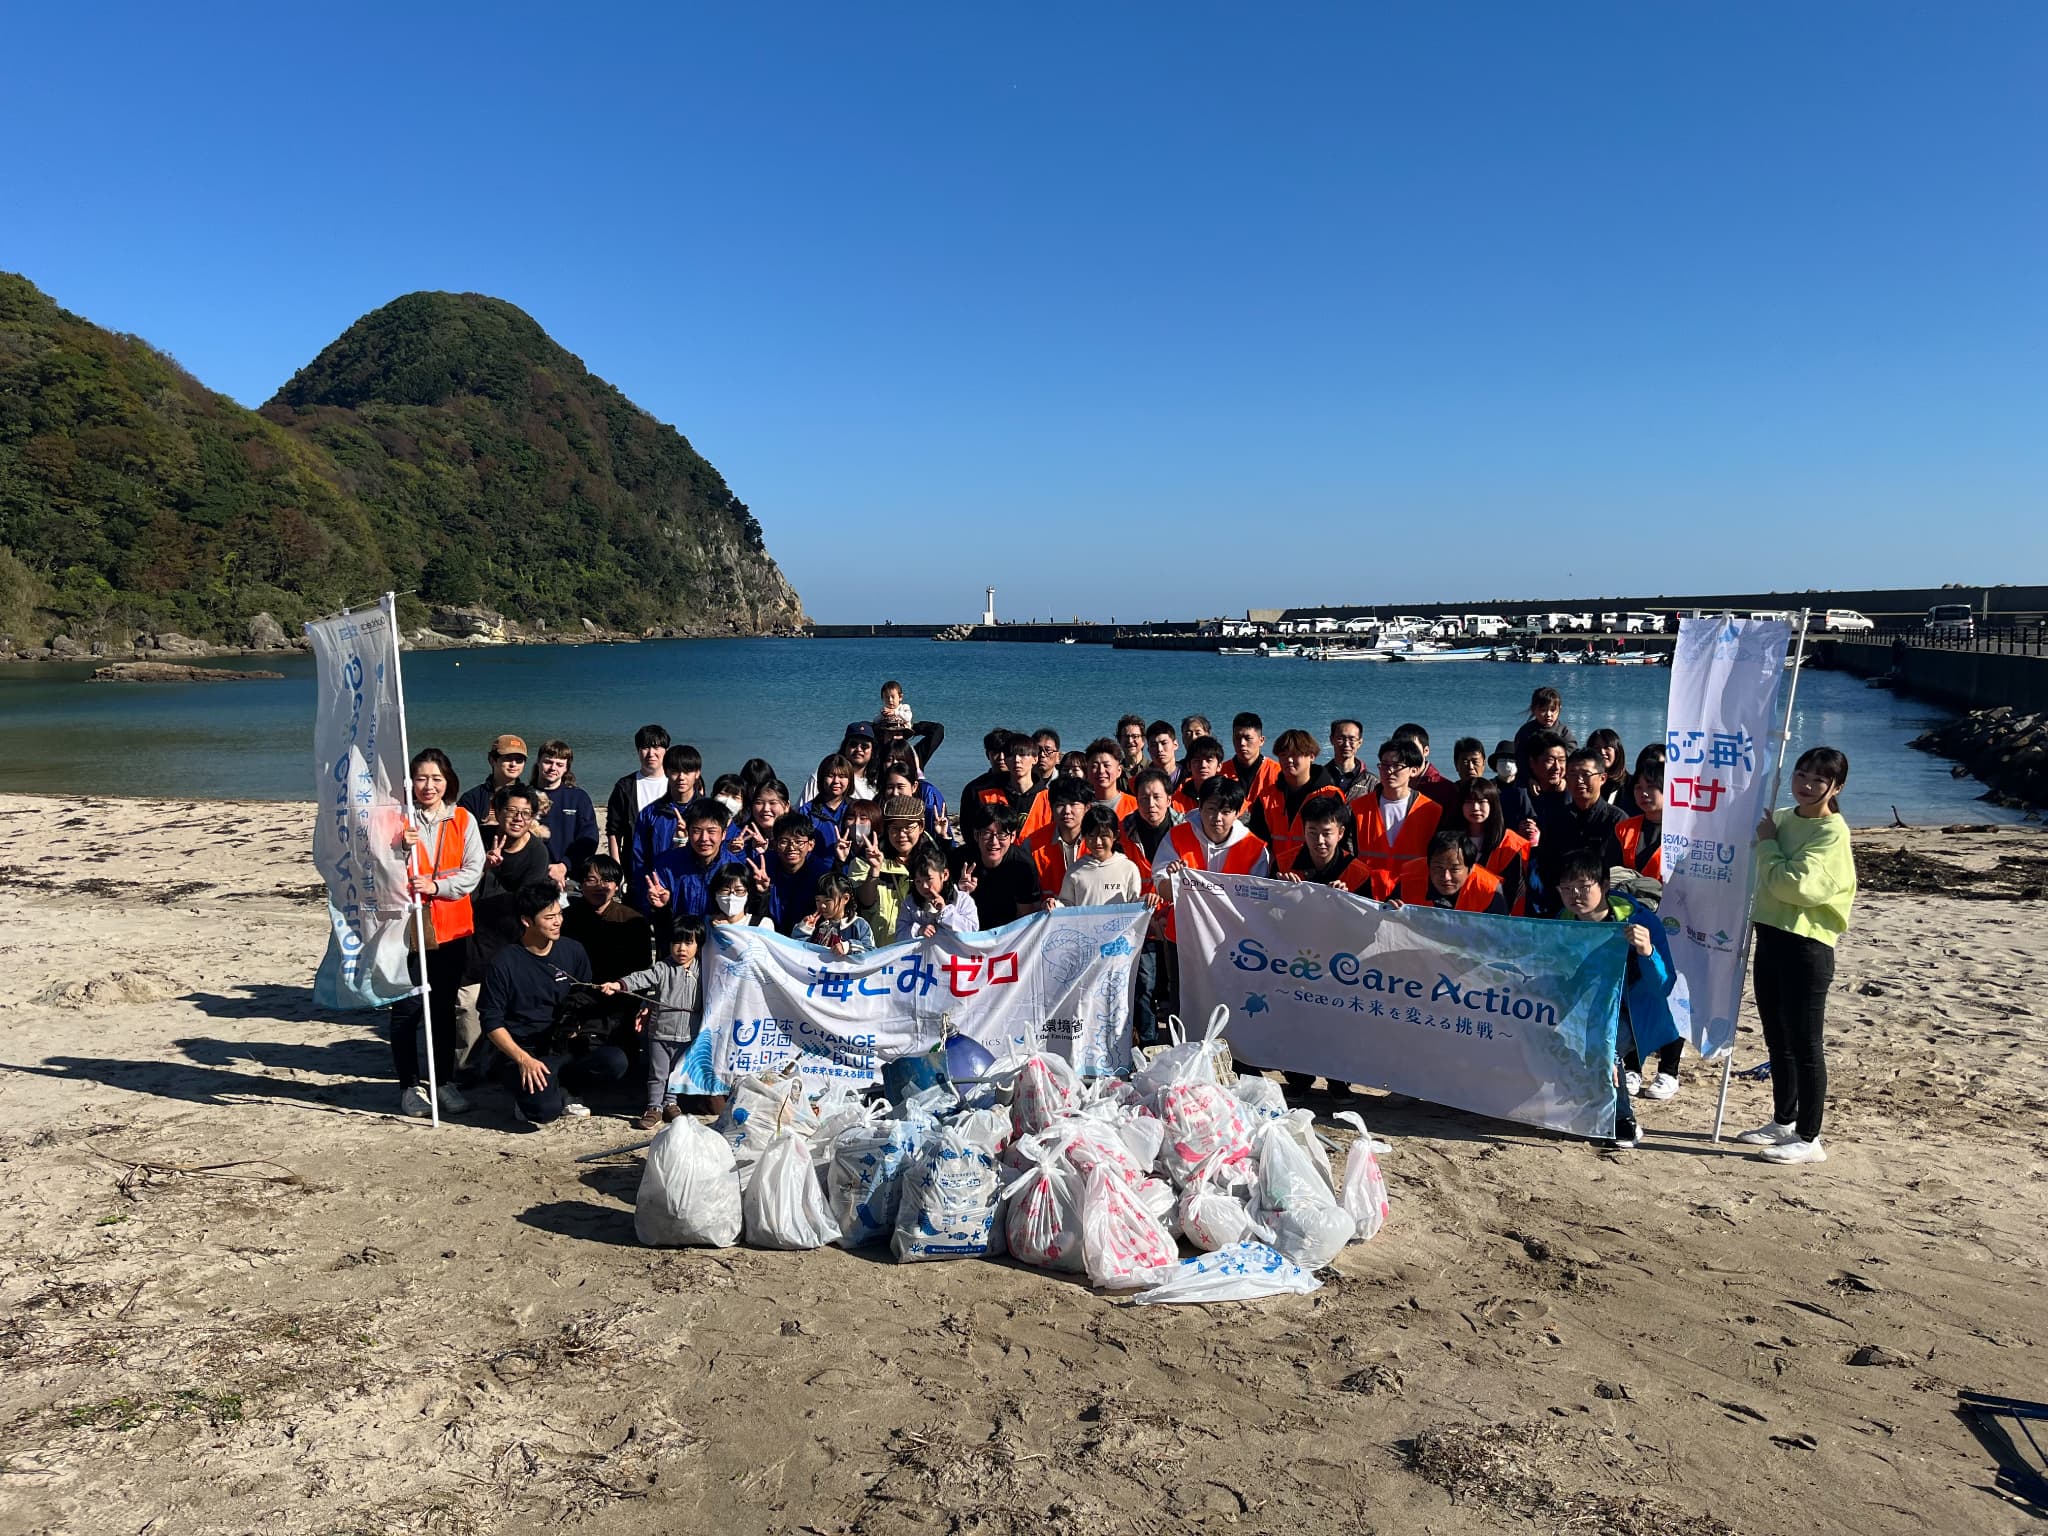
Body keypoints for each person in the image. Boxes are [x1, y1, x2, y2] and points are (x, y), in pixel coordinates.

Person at [1738, 747, 1857, 1166]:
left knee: (1806, 1043)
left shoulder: (1832, 832)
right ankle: (1783, 1120)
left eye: (1818, 780)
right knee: (1777, 1037)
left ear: (1836, 788)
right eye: (1801, 775)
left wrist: (1768, 848)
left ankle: (1810, 1136)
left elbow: (1798, 887)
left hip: (1808, 945)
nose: (1806, 785)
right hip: (1770, 935)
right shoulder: (1783, 818)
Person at [1552, 848, 1679, 1151]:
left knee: (1604, 1051)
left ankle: (1623, 1120)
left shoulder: (1640, 921)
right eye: (1566, 889)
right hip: (1588, 1008)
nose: (1574, 895)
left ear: (1604, 886)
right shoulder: (1563, 921)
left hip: (1635, 1011)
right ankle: (1588, 1104)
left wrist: (1647, 952)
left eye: (1583, 887)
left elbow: (1664, 986)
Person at [479, 882, 629, 1126]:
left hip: (563, 1046)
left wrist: (579, 1022)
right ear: (527, 921)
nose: (557, 921)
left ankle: (565, 1087)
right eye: (549, 917)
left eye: (559, 914)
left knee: (615, 1061)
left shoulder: (573, 950)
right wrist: (523, 1059)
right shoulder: (504, 963)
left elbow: (583, 995)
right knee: (543, 1113)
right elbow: (490, 1022)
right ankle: (530, 1092)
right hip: (524, 1049)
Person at [392, 747, 485, 1119]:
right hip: (407, 930)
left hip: (450, 929)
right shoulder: (398, 821)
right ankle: (408, 1085)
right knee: (407, 1007)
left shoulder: (462, 819)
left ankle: (443, 1080)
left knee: (442, 1008)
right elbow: (378, 870)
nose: (428, 786)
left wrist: (436, 887)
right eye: (420, 778)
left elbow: (472, 870)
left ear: (448, 781)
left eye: (436, 778)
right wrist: (399, 847)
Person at [603, 918, 704, 1131]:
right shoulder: (662, 968)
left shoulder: (702, 971)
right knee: (657, 1074)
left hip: (688, 1034)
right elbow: (641, 978)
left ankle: (670, 1103)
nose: (682, 949)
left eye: (689, 943)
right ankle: (653, 1107)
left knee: (677, 1072)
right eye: (676, 943)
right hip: (660, 1033)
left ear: (699, 945)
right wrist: (619, 984)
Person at [1152, 777, 1271, 944]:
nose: (1217, 817)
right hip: (1184, 936)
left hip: (1231, 940)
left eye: (1226, 811)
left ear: (1237, 813)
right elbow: (1162, 888)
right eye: (1211, 809)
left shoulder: (1254, 848)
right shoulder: (1177, 836)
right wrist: (1173, 881)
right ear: (1199, 808)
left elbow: (1257, 903)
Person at [1120, 768, 1181, 1045]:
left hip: (1176, 922)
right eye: (1144, 798)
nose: (1151, 804)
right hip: (1140, 919)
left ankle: (1178, 1041)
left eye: (1157, 797)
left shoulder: (1185, 830)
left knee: (1177, 989)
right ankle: (1147, 1042)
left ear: (1170, 798)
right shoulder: (1124, 830)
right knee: (1143, 987)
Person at [1535, 749, 1628, 916]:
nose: (1579, 780)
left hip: (1604, 909)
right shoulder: (1555, 818)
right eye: (1572, 774)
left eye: (1586, 774)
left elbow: (1620, 871)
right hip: (1562, 905)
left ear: (1602, 778)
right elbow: (1545, 865)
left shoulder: (1617, 821)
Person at [1351, 738, 1444, 894]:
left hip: (1412, 894)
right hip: (1368, 895)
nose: (1389, 771)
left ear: (1413, 770)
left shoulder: (1431, 810)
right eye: (1385, 765)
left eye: (1397, 766)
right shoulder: (1359, 808)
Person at [1248, 728, 1338, 870]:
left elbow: (1338, 843)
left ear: (1312, 756)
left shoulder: (1330, 795)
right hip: (1276, 875)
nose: (1288, 760)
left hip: (1316, 877)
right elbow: (1257, 842)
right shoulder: (1266, 797)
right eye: (1283, 755)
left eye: (1295, 755)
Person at [643, 799, 739, 931]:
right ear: (688, 831)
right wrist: (660, 906)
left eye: (711, 831)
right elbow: (658, 917)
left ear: (723, 834)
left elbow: (742, 915)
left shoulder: (734, 867)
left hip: (717, 944)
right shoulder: (667, 864)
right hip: (678, 942)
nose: (704, 838)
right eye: (697, 831)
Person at [629, 744, 706, 909]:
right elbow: (640, 859)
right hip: (661, 893)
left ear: (697, 773)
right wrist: (647, 896)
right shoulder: (651, 813)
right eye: (675, 771)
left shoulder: (708, 812)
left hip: (700, 896)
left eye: (687, 771)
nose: (681, 777)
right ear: (665, 771)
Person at [563, 853, 655, 985]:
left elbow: (642, 969)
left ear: (617, 885)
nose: (600, 886)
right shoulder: (565, 918)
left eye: (606, 880)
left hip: (620, 996)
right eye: (592, 880)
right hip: (575, 995)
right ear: (582, 884)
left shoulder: (633, 920)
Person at [1449, 776, 1531, 916]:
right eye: (1468, 802)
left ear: (1493, 804)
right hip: (1456, 917)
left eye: (1482, 802)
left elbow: (1516, 892)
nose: (1475, 808)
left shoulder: (1510, 843)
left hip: (1495, 918)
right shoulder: (1449, 841)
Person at [952, 808, 1040, 931]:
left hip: (1007, 934)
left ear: (1013, 836)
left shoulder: (1023, 865)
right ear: (976, 835)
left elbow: (1025, 916)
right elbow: (946, 911)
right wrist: (960, 892)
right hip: (968, 933)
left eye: (1002, 835)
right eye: (987, 833)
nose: (994, 842)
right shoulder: (959, 859)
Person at [530, 739, 599, 888]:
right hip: (532, 874)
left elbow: (589, 837)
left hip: (569, 875)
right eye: (548, 762)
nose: (552, 768)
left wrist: (564, 866)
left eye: (559, 764)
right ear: (538, 762)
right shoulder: (525, 796)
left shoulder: (578, 797)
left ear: (566, 768)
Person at [1390, 829, 1510, 913]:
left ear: (1471, 868)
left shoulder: (1488, 890)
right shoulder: (1409, 880)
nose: (1446, 877)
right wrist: (1389, 912)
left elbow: (1499, 937)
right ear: (1428, 865)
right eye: (1439, 868)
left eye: (1455, 869)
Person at [1282, 792, 1377, 893]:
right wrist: (1280, 890)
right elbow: (1268, 904)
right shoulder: (1283, 865)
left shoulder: (1359, 874)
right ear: (1304, 830)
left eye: (1326, 833)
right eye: (1313, 833)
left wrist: (1347, 899)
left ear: (1340, 833)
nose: (1320, 840)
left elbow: (1365, 908)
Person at [1059, 804, 1151, 907]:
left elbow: (1134, 905)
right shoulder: (1075, 870)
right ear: (1084, 836)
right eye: (1092, 836)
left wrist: (1148, 900)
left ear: (1115, 836)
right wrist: (1054, 904)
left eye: (1104, 836)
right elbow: (1065, 905)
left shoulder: (1128, 868)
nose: (1097, 842)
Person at [605, 724, 671, 868]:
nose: (651, 753)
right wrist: (617, 868)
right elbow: (613, 831)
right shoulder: (625, 787)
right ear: (638, 751)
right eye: (645, 748)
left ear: (666, 750)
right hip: (634, 865)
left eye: (656, 747)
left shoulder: (676, 784)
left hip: (670, 864)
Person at [1025, 777, 1093, 903]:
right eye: (1060, 805)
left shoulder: (1099, 841)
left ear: (1087, 807)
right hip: (1047, 916)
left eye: (1073, 804)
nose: (1067, 811)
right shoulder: (1033, 844)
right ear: (1051, 807)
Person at [457, 734, 530, 848]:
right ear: (492, 760)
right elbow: (459, 836)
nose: (513, 764)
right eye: (507, 758)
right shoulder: (472, 798)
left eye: (519, 760)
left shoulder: (530, 797)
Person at [896, 842, 980, 939]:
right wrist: (918, 930)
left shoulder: (962, 900)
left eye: (929, 879)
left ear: (944, 875)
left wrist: (945, 912)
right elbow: (899, 934)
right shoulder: (911, 902)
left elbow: (972, 931)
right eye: (918, 881)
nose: (924, 886)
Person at [795, 871, 876, 956]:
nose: (822, 905)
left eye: (827, 901)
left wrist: (848, 947)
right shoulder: (817, 924)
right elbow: (798, 950)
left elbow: (871, 953)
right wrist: (803, 930)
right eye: (818, 900)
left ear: (845, 898)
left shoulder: (859, 925)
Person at [1514, 687, 1578, 779]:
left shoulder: (1564, 732)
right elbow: (1520, 759)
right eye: (1543, 710)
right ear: (1533, 709)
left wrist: (1563, 778)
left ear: (1559, 709)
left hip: (1559, 777)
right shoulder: (1526, 732)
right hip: (1530, 778)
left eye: (1552, 710)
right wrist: (1529, 778)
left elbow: (1572, 757)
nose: (1548, 714)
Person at [799, 753, 855, 852]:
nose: (836, 781)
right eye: (830, 775)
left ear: (849, 780)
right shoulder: (807, 811)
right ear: (821, 778)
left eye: (842, 776)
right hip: (816, 866)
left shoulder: (856, 808)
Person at [1223, 712, 1279, 803]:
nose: (1242, 743)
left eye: (1247, 738)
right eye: (1237, 738)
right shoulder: (1221, 773)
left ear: (1261, 741)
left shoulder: (1277, 773)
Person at [1172, 735, 1227, 817]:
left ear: (1219, 766)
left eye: (1209, 760)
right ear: (1189, 766)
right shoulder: (1177, 798)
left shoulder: (1230, 793)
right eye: (1197, 761)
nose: (1203, 765)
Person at [1082, 738, 1137, 818]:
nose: (1101, 771)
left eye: (1106, 765)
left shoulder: (1135, 806)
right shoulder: (1079, 807)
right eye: (1095, 766)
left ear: (1119, 770)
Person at [706, 866, 770, 929]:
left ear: (748, 893)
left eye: (739, 890)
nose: (731, 896)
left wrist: (728, 929)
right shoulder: (707, 924)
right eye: (725, 890)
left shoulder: (763, 924)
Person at [1586, 727, 1629, 806]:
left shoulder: (1631, 785)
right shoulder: (1584, 782)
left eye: (1607, 748)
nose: (1602, 752)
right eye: (1596, 748)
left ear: (1617, 751)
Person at [1145, 720, 1181, 787]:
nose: (1159, 749)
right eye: (1154, 745)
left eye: (1164, 743)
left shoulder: (1191, 778)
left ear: (1175, 744)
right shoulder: (1140, 782)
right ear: (1148, 750)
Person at [1116, 714, 1148, 784]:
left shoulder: (1153, 769)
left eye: (1135, 736)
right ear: (1119, 740)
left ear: (1143, 740)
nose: (1130, 741)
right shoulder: (1114, 772)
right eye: (1126, 736)